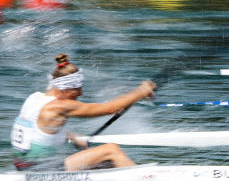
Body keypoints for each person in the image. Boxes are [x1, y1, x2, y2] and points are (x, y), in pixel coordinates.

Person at [10, 54, 156, 171]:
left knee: (108, 163)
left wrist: (73, 138)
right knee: (112, 150)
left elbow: (42, 127)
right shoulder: (59, 106)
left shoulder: (35, 98)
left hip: (24, 164)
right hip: (39, 168)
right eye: (77, 89)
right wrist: (141, 91)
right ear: (64, 89)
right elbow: (110, 108)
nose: (80, 93)